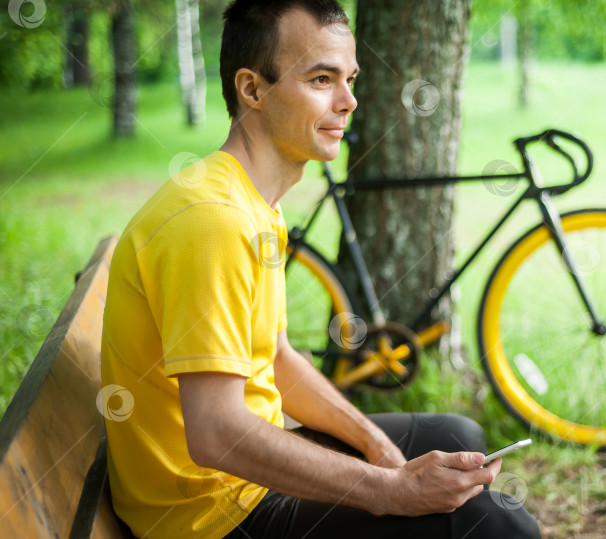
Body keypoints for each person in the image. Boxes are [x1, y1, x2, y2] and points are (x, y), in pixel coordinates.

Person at [99, 0, 542, 537]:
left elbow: (278, 358)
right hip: (208, 515)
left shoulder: (256, 203)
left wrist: (373, 444)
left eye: (350, 78)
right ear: (252, 89)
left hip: (239, 483)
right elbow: (215, 432)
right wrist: (389, 491)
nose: (349, 100)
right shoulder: (212, 223)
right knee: (499, 525)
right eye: (321, 79)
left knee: (455, 437)